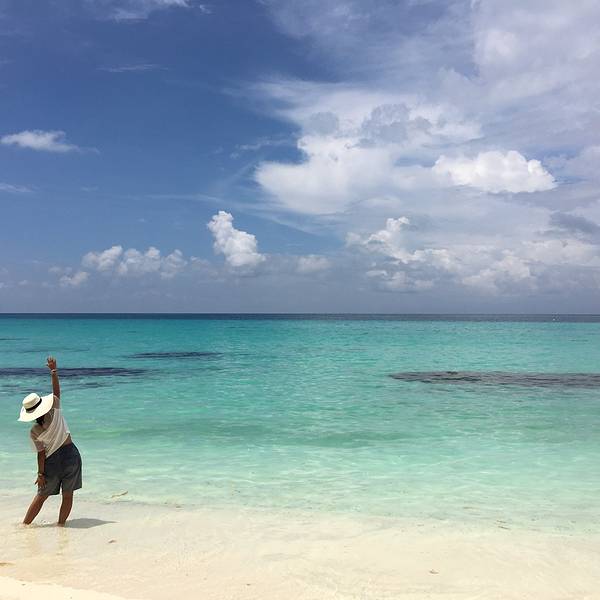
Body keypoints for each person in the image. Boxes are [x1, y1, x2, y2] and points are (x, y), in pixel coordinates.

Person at [18, 357, 82, 526]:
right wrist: (53, 371)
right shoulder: (55, 411)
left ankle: (25, 525)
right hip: (71, 455)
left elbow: (41, 454)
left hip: (51, 461)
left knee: (41, 496)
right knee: (67, 495)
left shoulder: (34, 431)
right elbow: (56, 392)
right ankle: (61, 526)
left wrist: (40, 474)